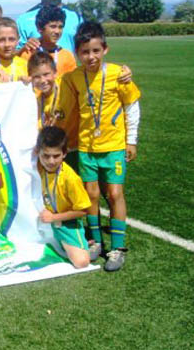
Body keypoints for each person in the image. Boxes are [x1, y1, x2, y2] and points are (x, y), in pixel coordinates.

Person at [57, 22, 141, 271]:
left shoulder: (118, 74)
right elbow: (65, 111)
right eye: (85, 52)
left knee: (114, 194)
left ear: (105, 49)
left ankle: (117, 247)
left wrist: (131, 140)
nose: (90, 57)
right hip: (86, 147)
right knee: (90, 195)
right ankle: (94, 242)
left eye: (95, 50)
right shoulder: (72, 78)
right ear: (77, 53)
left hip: (114, 145)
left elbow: (131, 108)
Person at [36, 126, 90, 269]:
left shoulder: (70, 178)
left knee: (82, 262)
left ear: (64, 153)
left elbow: (84, 211)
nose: (51, 161)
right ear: (38, 153)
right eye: (46, 156)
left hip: (65, 223)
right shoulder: (38, 167)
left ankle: (74, 243)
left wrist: (54, 218)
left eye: (56, 156)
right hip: (43, 218)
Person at [28, 51, 80, 172]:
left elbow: (88, 73)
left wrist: (123, 71)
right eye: (36, 76)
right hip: (54, 152)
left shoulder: (67, 83)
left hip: (76, 147)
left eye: (46, 74)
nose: (43, 80)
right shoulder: (35, 99)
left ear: (55, 73)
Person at [20, 5, 77, 77]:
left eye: (60, 27)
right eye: (53, 26)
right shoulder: (29, 54)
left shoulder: (67, 56)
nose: (57, 31)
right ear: (40, 28)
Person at [0, 18, 29, 82]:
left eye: (11, 39)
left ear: (18, 40)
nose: (7, 45)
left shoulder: (25, 65)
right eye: (1, 40)